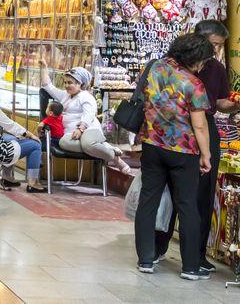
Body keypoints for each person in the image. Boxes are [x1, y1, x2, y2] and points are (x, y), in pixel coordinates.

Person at [155, 20, 239, 272]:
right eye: (213, 45)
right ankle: (158, 246)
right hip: (177, 129)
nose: (215, 51)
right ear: (199, 39)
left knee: (202, 195)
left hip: (206, 129)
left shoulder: (217, 68)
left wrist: (235, 104)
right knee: (169, 190)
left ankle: (197, 255)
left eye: (219, 46)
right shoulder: (173, 65)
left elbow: (220, 102)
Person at [134, 33, 214, 280]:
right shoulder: (193, 83)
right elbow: (199, 126)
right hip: (183, 151)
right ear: (195, 58)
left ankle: (146, 259)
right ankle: (190, 267)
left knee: (148, 201)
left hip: (152, 144)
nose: (203, 66)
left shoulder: (154, 67)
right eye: (203, 61)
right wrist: (206, 155)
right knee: (187, 205)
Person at [41, 66, 132, 174]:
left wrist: (80, 129)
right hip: (71, 132)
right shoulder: (65, 96)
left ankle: (116, 159)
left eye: (70, 83)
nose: (66, 86)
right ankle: (103, 147)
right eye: (65, 82)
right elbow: (48, 86)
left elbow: (89, 114)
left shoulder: (86, 96)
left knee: (88, 144)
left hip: (89, 129)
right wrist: (44, 67)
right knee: (63, 142)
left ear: (80, 84)